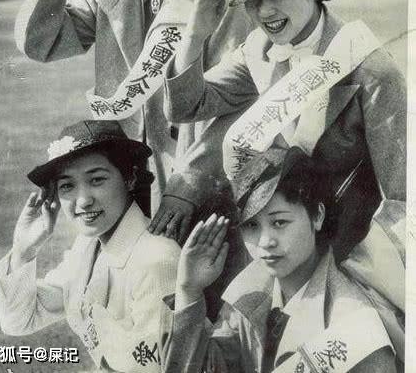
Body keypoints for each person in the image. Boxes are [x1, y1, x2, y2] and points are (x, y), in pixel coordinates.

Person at [14, 0, 253, 242]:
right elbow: (41, 44)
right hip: (123, 183)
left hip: (195, 186)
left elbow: (241, 102)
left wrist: (190, 184)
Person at [164, 0, 406, 258]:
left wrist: (357, 270)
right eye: (253, 0)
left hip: (352, 252)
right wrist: (195, 35)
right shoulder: (259, 51)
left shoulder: (371, 70)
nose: (265, 12)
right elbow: (186, 106)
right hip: (274, 246)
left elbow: (401, 200)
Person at [161, 148, 403, 373]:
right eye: (251, 226)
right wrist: (189, 291)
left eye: (280, 222)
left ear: (317, 216)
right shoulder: (250, 291)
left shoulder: (351, 320)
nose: (265, 241)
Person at [0, 120, 181, 372]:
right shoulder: (88, 246)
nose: (83, 201)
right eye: (67, 185)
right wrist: (24, 249)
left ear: (130, 178)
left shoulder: (156, 260)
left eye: (97, 180)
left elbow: (154, 366)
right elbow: (20, 321)